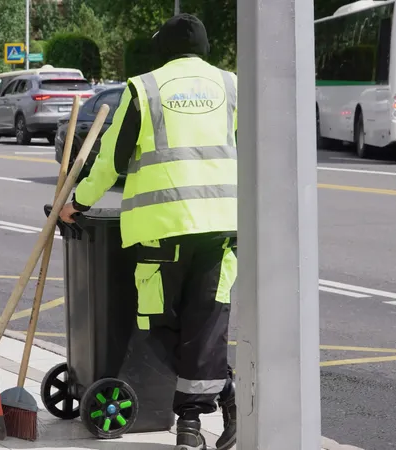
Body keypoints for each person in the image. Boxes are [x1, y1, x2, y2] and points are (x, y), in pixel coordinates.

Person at [59, 13, 237, 450]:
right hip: (220, 228)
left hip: (163, 233)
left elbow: (111, 159)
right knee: (206, 323)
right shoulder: (232, 86)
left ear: (163, 48)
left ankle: (191, 425)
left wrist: (77, 202)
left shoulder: (145, 88)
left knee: (160, 325)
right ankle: (225, 399)